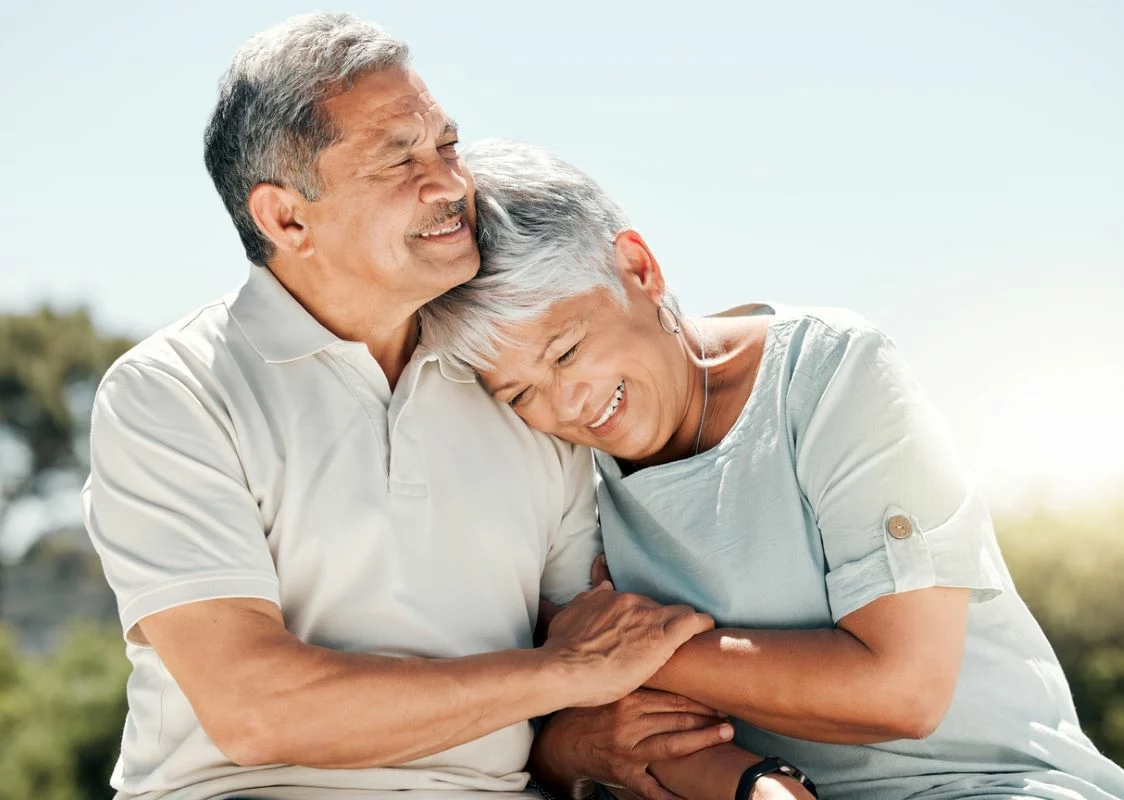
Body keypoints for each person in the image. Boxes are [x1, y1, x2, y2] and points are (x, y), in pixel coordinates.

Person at [81, 15, 730, 800]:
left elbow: (590, 636)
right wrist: (557, 675)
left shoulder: (519, 386)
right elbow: (256, 709)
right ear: (287, 219)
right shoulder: (171, 392)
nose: (452, 185)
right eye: (400, 160)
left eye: (447, 147)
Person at [421, 138, 1124, 800]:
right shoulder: (559, 475)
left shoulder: (834, 371)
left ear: (640, 268)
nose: (564, 404)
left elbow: (902, 690)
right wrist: (573, 715)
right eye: (518, 394)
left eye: (568, 352)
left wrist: (596, 654)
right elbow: (613, 728)